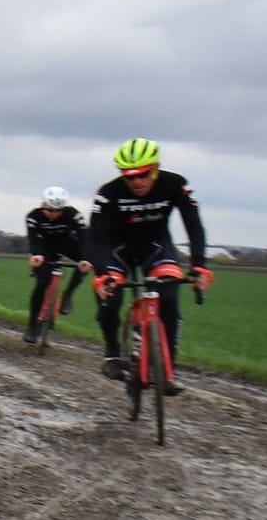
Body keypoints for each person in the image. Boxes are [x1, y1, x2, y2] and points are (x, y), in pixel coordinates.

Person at [85, 138, 213, 394]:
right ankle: (112, 354)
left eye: (143, 175)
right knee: (110, 297)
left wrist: (199, 266)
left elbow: (194, 227)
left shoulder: (175, 184)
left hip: (155, 247)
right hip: (116, 249)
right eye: (129, 177)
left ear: (155, 168)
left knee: (168, 295)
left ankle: (167, 371)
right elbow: (95, 238)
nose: (137, 182)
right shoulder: (108, 193)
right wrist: (102, 275)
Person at [22, 186, 87, 343]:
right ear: (43, 205)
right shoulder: (33, 216)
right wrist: (36, 255)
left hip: (68, 245)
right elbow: (34, 240)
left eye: (58, 211)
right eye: (50, 210)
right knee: (42, 283)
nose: (53, 214)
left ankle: (68, 294)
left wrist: (86, 258)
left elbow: (84, 237)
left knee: (87, 261)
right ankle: (32, 325)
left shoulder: (73, 214)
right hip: (44, 249)